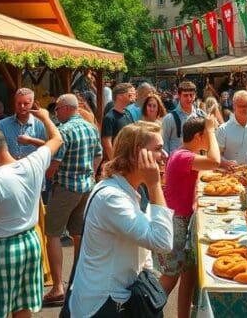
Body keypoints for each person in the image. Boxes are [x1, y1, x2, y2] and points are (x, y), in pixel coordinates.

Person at [69, 122, 173, 317]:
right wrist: (155, 185)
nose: (165, 155)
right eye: (158, 149)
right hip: (104, 305)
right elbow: (162, 241)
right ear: (136, 154)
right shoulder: (112, 197)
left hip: (122, 298)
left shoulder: (130, 188)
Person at [0, 109, 63, 318]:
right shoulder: (34, 163)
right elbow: (57, 138)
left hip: (0, 248)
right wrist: (46, 118)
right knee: (23, 306)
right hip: (31, 241)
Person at [157, 116, 220, 318]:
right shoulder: (184, 156)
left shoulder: (183, 153)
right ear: (199, 136)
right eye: (209, 135)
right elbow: (214, 161)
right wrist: (210, 130)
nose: (212, 138)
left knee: (189, 275)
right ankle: (145, 311)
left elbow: (210, 166)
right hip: (177, 221)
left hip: (183, 220)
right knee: (170, 276)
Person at [43, 94, 102, 307]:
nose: (56, 113)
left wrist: (47, 175)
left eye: (57, 109)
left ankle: (58, 287)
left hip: (66, 187)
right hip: (86, 187)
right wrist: (90, 174)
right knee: (78, 234)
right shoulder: (90, 127)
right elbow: (98, 155)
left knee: (53, 234)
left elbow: (54, 165)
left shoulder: (64, 131)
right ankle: (78, 279)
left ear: (66, 108)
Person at [0, 88, 48, 160]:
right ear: (14, 103)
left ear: (33, 103)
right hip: (11, 168)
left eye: (26, 103)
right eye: (19, 103)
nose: (22, 106)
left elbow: (48, 147)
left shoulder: (40, 124)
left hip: (33, 168)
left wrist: (31, 141)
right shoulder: (3, 124)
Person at [161, 81, 205, 156]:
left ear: (195, 95)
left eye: (191, 95)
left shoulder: (201, 115)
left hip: (197, 162)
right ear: (179, 95)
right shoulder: (169, 118)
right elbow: (164, 145)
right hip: (177, 162)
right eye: (185, 95)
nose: (189, 98)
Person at [101, 83, 136, 161]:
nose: (133, 95)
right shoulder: (109, 118)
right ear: (119, 96)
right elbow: (107, 143)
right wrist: (114, 162)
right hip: (118, 160)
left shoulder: (128, 113)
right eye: (129, 94)